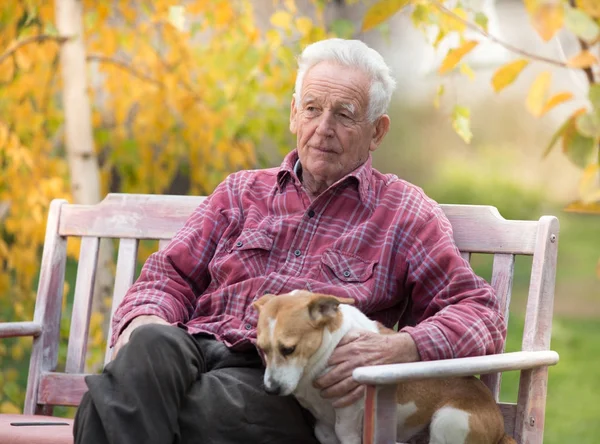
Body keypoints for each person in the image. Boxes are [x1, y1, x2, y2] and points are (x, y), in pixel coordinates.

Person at [74, 38, 506, 444]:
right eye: (313, 109)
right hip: (193, 346)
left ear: (377, 131)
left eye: (344, 114)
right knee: (150, 344)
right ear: (294, 113)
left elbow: (480, 314)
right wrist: (143, 319)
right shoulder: (241, 192)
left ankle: (123, 397)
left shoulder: (404, 213)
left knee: (109, 403)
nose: (323, 128)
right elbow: (169, 274)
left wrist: (401, 347)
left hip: (287, 384)